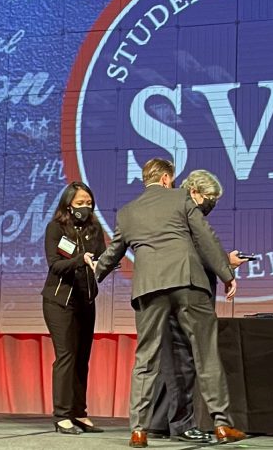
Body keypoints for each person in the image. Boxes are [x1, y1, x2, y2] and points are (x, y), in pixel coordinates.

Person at [91, 158, 246, 448]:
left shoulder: (127, 212)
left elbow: (112, 253)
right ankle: (222, 424)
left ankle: (138, 430)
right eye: (172, 179)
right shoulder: (181, 197)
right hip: (188, 281)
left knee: (145, 358)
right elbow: (205, 237)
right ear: (165, 178)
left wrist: (95, 272)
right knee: (206, 354)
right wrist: (227, 274)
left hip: (149, 287)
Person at [149, 170, 247, 444]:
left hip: (161, 290)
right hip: (189, 294)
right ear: (193, 191)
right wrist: (227, 272)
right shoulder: (188, 210)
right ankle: (219, 423)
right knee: (200, 359)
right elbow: (206, 243)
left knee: (176, 361)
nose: (211, 204)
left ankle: (168, 424)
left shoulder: (162, 212)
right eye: (210, 198)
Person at [42, 182, 106, 435]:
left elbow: (102, 257)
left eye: (89, 203)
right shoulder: (56, 228)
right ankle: (61, 415)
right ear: (68, 204)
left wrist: (107, 261)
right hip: (60, 301)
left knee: (82, 359)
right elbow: (55, 264)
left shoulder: (94, 228)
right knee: (66, 356)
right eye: (80, 203)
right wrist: (81, 260)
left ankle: (79, 412)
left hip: (85, 300)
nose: (85, 207)